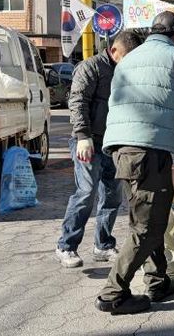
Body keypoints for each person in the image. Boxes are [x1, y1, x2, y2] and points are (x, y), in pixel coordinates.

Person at [95, 11, 174, 315]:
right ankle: (113, 293)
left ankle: (158, 281)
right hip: (147, 151)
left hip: (122, 148)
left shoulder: (129, 59)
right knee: (148, 226)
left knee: (151, 218)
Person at [55, 31, 143, 268]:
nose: (129, 62)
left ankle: (103, 245)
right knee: (86, 192)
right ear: (114, 50)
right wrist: (83, 136)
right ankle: (66, 246)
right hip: (88, 142)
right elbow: (77, 101)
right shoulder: (90, 67)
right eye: (126, 56)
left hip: (113, 142)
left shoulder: (126, 71)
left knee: (112, 195)